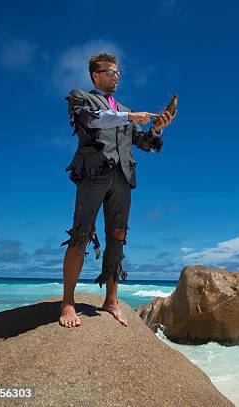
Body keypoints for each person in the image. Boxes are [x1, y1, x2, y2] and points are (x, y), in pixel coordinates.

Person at [59, 52, 175, 328]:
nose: (115, 76)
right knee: (81, 234)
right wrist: (128, 115)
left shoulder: (124, 109)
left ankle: (111, 299)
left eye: (118, 72)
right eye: (110, 72)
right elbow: (91, 120)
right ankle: (67, 302)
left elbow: (145, 143)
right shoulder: (81, 98)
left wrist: (157, 129)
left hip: (123, 178)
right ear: (95, 75)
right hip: (93, 175)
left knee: (118, 237)